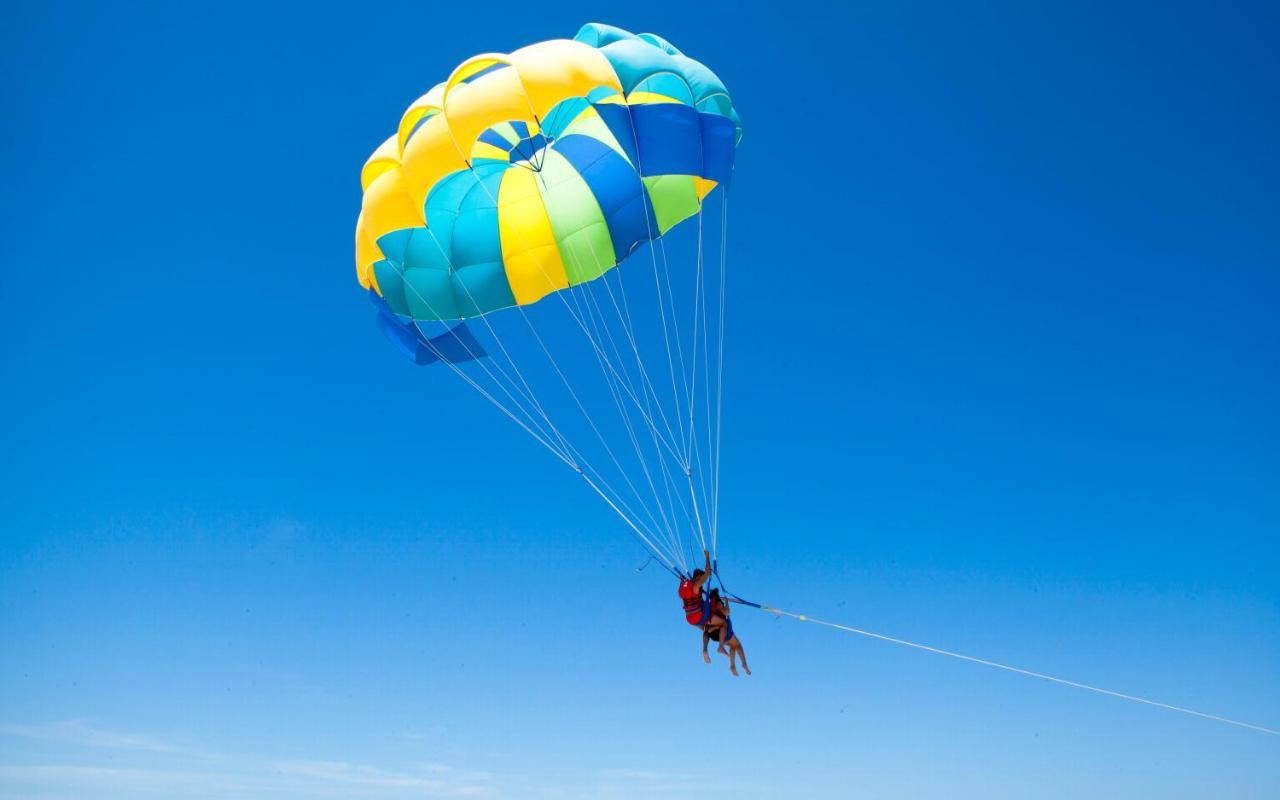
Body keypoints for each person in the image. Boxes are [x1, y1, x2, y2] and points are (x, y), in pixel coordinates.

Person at [677, 550, 729, 647]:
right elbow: (708, 572)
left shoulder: (683, 585)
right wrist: (707, 557)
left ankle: (705, 649)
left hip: (690, 618)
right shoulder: (696, 586)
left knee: (706, 629)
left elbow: (690, 595)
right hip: (697, 617)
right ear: (699, 577)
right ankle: (721, 646)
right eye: (702, 580)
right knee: (724, 623)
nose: (702, 583)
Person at [704, 588, 751, 676]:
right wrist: (726, 602)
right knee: (738, 645)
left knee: (732, 646)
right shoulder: (718, 603)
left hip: (714, 633)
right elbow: (726, 613)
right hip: (724, 630)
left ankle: (732, 665)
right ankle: (744, 664)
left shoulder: (709, 604)